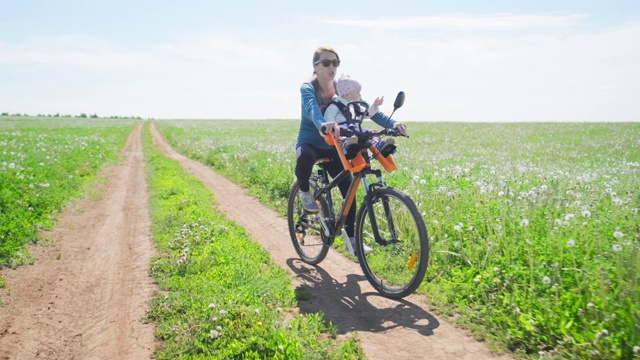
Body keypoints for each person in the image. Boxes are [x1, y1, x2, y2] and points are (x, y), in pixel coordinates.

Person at [295, 45, 408, 256]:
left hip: (336, 145)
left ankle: (352, 240)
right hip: (312, 140)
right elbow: (312, 110)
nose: (332, 67)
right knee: (304, 160)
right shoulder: (308, 88)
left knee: (350, 189)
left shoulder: (342, 88)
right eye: (326, 63)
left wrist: (394, 123)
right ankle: (304, 194)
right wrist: (324, 124)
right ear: (315, 66)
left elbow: (366, 110)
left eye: (335, 63)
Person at [324, 74, 396, 159]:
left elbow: (367, 113)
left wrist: (374, 106)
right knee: (344, 135)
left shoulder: (355, 106)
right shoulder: (335, 106)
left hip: (355, 129)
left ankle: (380, 146)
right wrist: (330, 125)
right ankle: (347, 145)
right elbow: (328, 119)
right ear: (346, 93)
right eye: (357, 92)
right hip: (342, 129)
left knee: (368, 133)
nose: (360, 95)